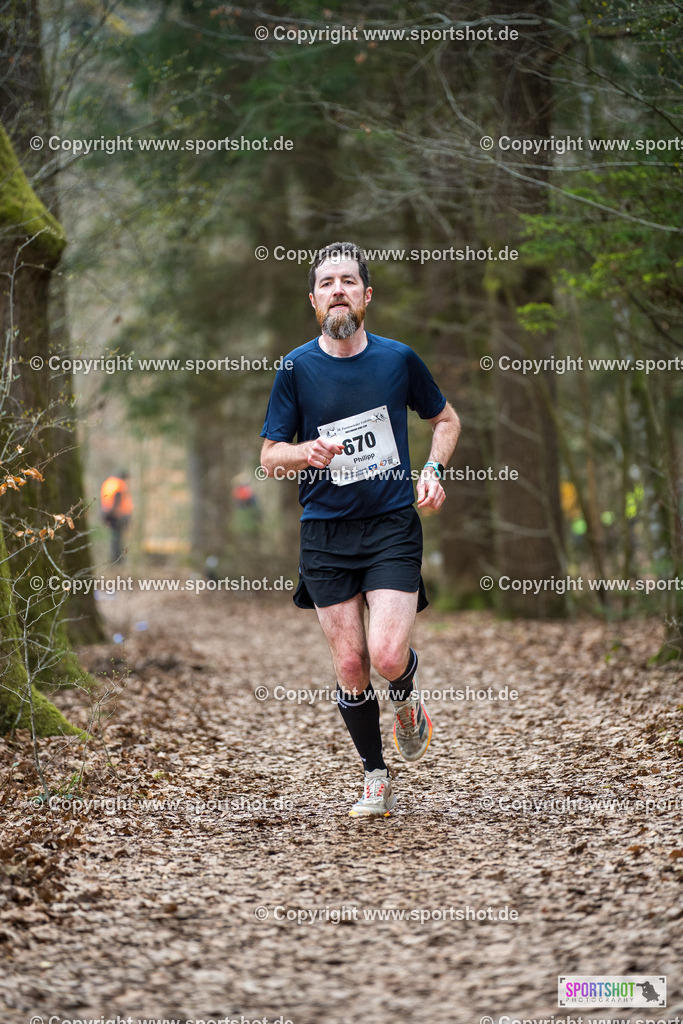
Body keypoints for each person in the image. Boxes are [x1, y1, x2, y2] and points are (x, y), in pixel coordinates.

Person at [260, 242, 460, 817]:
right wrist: (306, 453)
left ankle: (404, 697)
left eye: (349, 281)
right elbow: (271, 457)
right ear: (314, 300)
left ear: (367, 296)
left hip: (392, 525)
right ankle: (376, 775)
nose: (339, 290)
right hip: (324, 532)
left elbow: (445, 419)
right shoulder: (296, 368)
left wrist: (433, 468)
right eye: (328, 283)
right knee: (350, 665)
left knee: (388, 654)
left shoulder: (398, 360)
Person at [100, 470, 133, 564]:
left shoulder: (109, 482)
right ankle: (117, 560)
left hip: (108, 513)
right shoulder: (119, 484)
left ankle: (115, 559)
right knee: (117, 538)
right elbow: (116, 499)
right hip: (116, 514)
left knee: (114, 537)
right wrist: (117, 513)